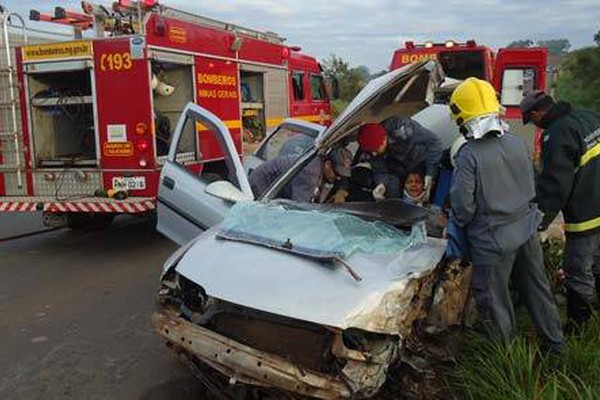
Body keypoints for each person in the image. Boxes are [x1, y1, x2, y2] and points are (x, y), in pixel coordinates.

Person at [449, 78, 564, 352]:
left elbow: (463, 207)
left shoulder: (469, 155)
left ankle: (505, 360)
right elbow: (532, 184)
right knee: (538, 290)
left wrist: (460, 224)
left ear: (463, 117)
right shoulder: (516, 143)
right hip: (527, 229)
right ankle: (555, 346)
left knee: (494, 301)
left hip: (492, 241)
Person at [521, 90, 600, 331]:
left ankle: (578, 326)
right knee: (598, 262)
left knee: (577, 269)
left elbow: (555, 185)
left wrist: (539, 220)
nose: (534, 126)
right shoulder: (587, 116)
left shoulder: (555, 134)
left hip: (585, 214)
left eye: (531, 120)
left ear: (537, 113)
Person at [357, 117, 443, 200]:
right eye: (371, 151)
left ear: (384, 139)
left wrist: (430, 174)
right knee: (391, 185)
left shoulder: (401, 129)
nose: (374, 153)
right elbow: (380, 170)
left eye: (375, 149)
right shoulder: (371, 149)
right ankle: (394, 210)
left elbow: (435, 142)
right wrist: (381, 184)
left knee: (426, 188)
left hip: (420, 160)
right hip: (399, 168)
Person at [249, 147, 352, 202]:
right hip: (262, 182)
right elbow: (300, 208)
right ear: (328, 164)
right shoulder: (310, 172)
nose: (338, 178)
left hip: (279, 186)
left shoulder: (321, 165)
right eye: (337, 173)